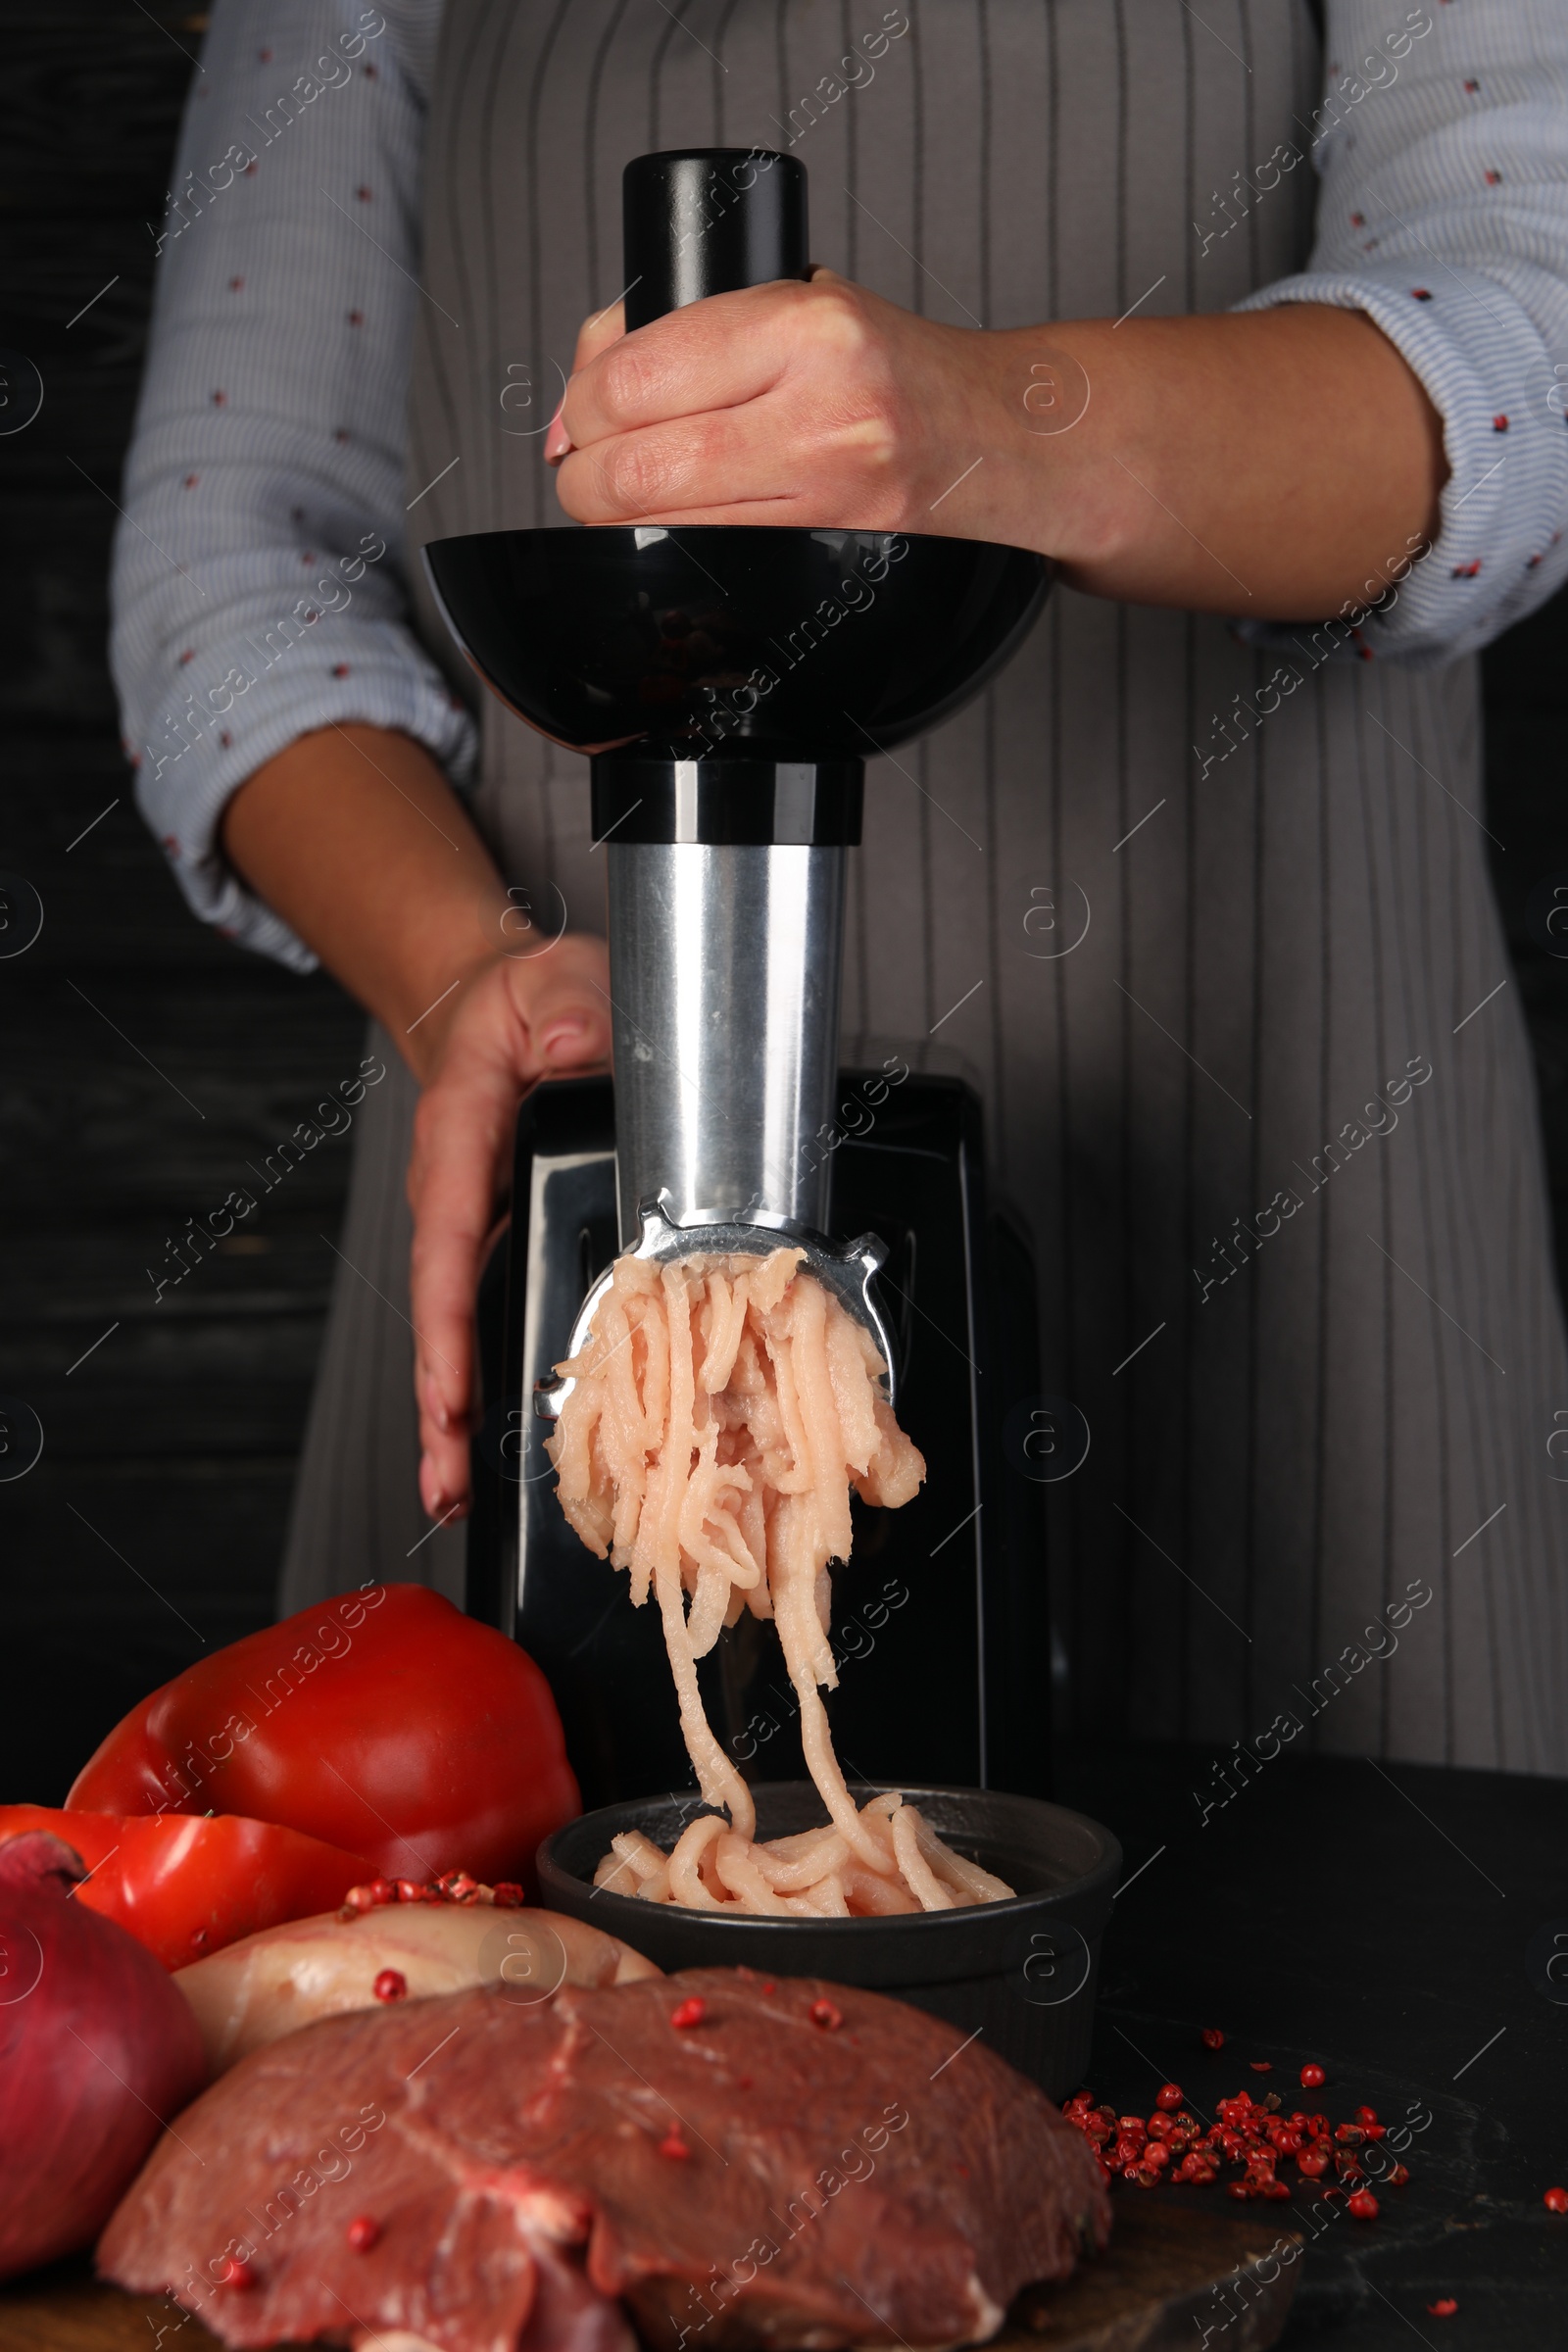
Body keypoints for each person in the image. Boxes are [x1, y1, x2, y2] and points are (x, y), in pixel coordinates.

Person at [112, 0, 1568, 1771]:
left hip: (1296, 1156)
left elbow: (1524, 361)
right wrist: (450, 970)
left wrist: (997, 430)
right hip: (567, 1117)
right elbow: (228, 557)